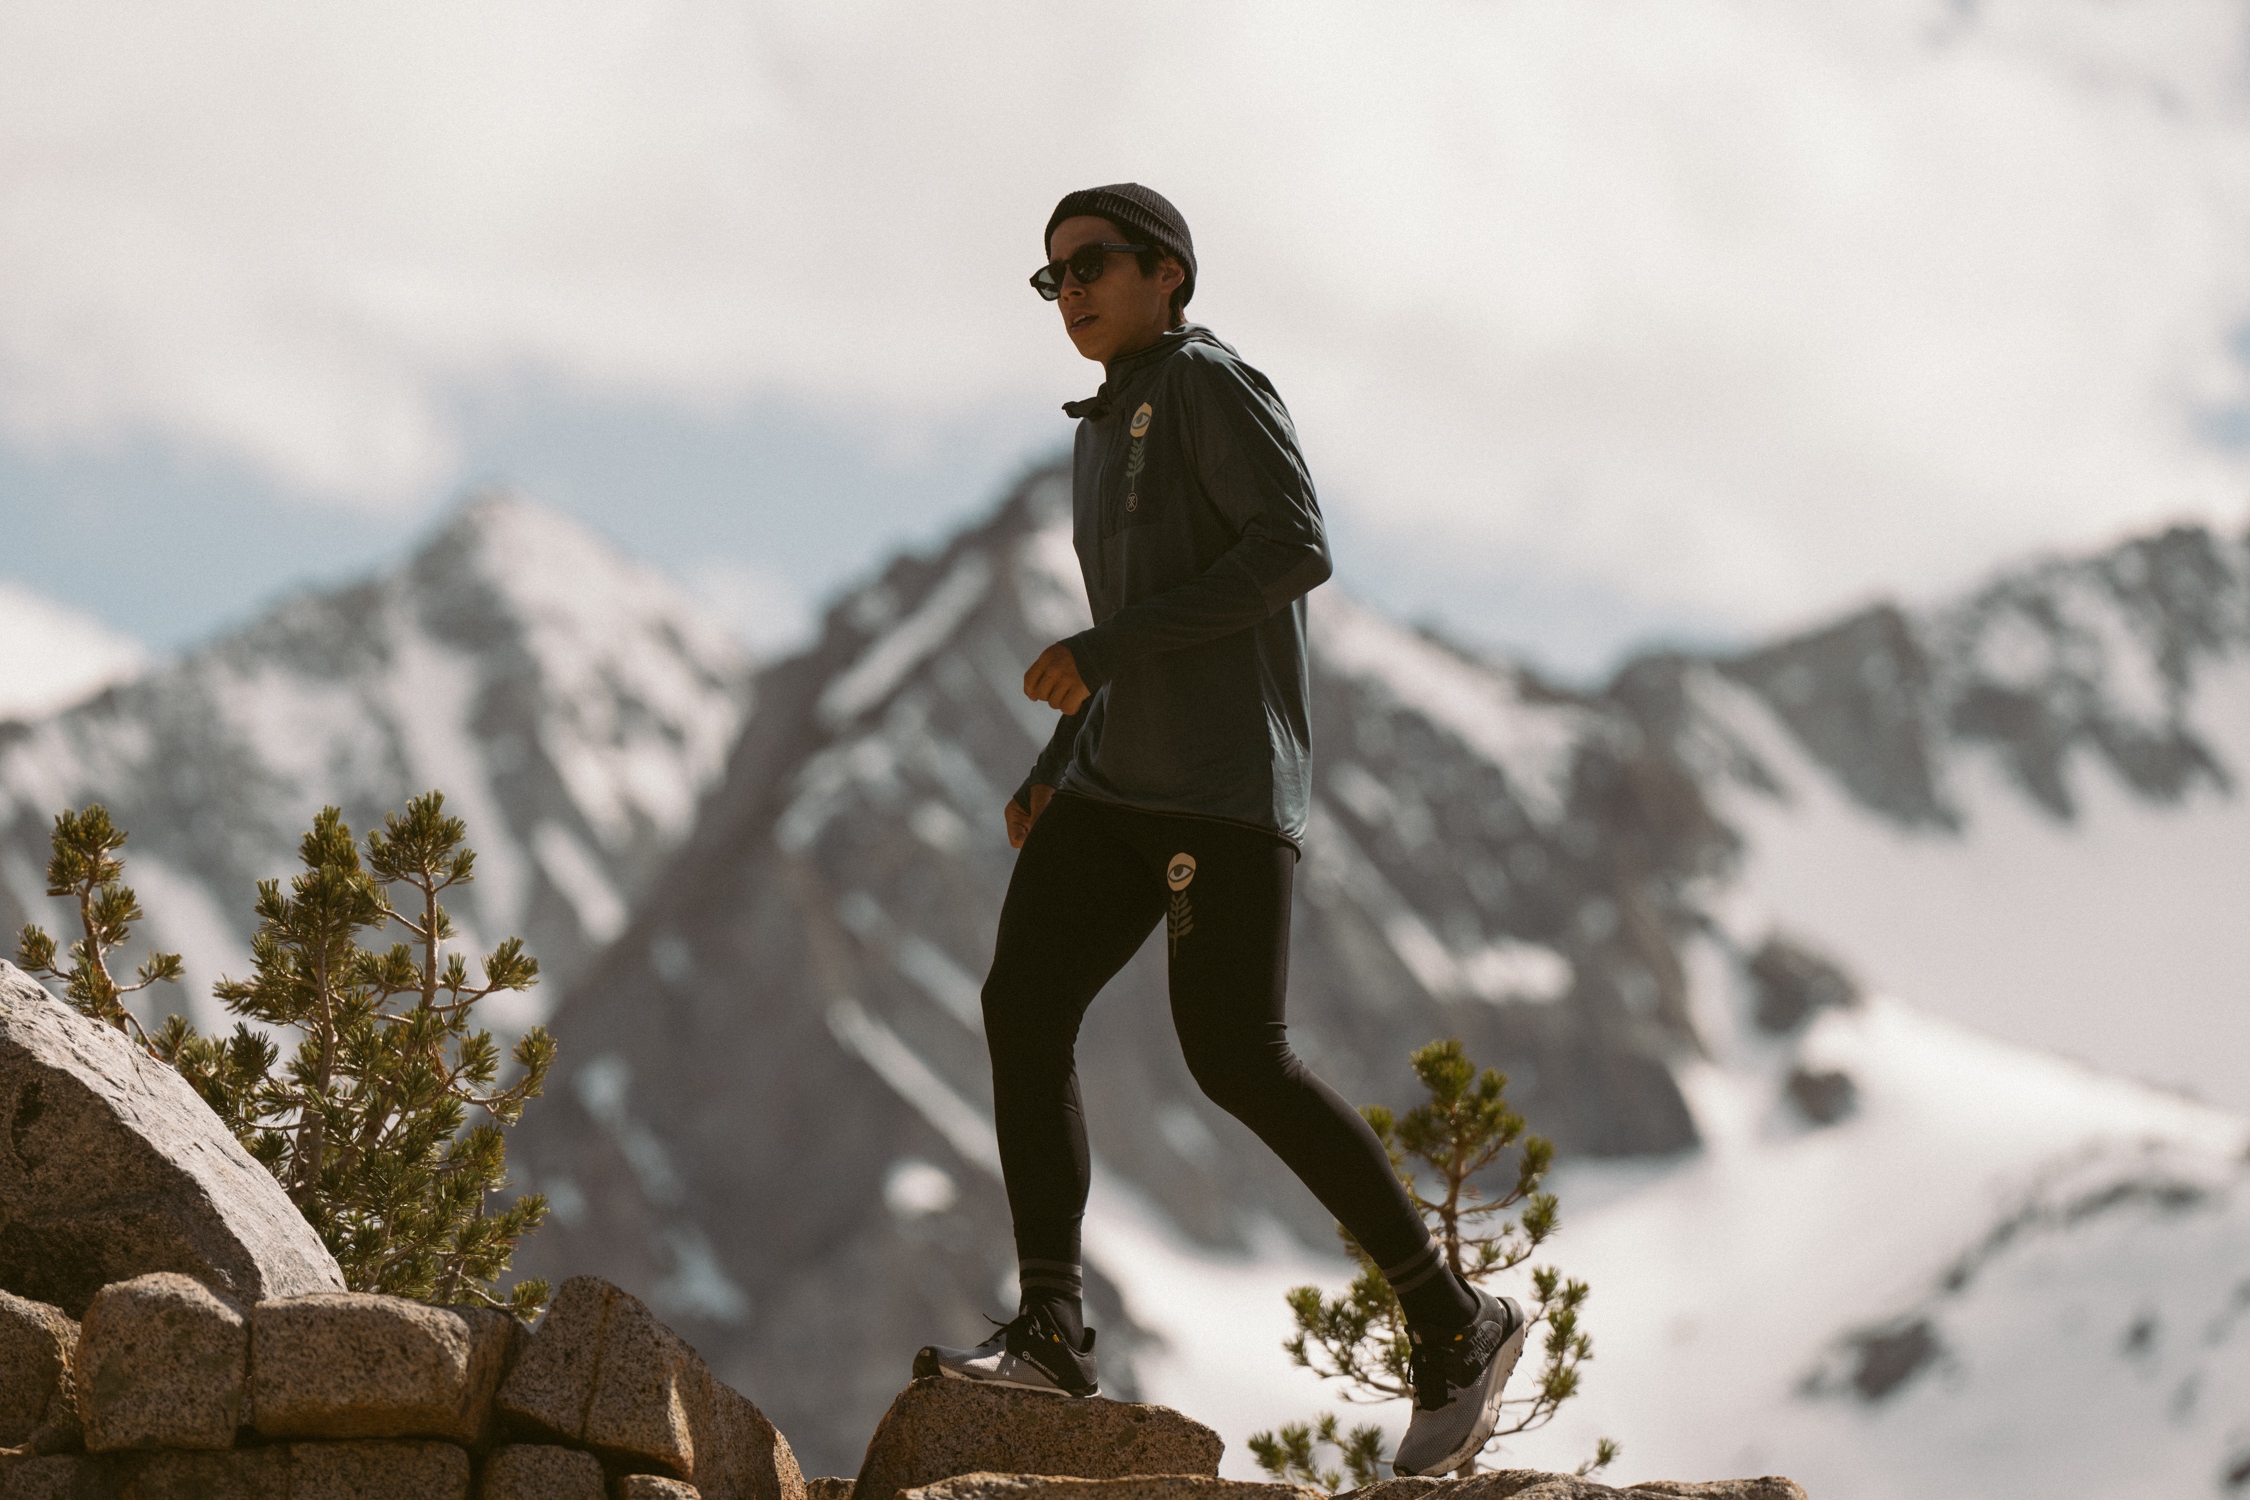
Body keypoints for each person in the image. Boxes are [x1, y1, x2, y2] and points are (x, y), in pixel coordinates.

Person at [912, 183, 1526, 1477]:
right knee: (1021, 1006)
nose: (1068, 288)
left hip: (1221, 794)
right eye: (1050, 275)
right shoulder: (1100, 424)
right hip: (1113, 784)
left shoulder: (1207, 385)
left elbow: (1292, 548)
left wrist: (1103, 649)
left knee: (1234, 1060)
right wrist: (1056, 755)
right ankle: (1053, 1330)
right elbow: (1132, 625)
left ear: (1167, 274)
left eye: (1091, 263)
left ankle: (1451, 1319)